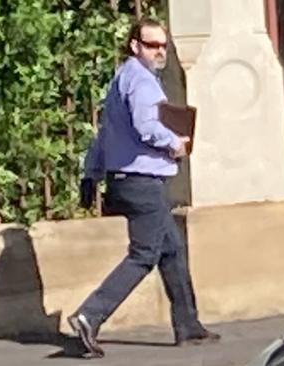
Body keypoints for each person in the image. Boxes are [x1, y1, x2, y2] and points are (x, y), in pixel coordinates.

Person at [70, 18, 220, 358]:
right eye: (152, 45)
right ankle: (89, 315)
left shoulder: (121, 78)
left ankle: (188, 325)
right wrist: (174, 143)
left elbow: (106, 133)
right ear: (135, 46)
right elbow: (146, 124)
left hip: (126, 179)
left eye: (163, 46)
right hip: (142, 182)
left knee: (172, 249)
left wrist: (91, 173)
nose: (160, 52)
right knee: (144, 255)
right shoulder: (141, 80)